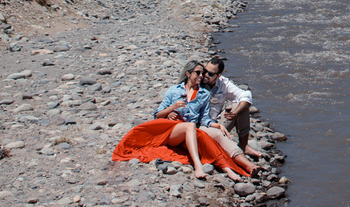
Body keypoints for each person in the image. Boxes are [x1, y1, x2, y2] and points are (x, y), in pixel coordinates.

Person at [111, 60, 256, 180]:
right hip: (173, 131)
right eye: (198, 73)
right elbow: (157, 114)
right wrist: (171, 109)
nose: (202, 76)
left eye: (204, 73)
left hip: (192, 130)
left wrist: (216, 125)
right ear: (188, 74)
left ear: (218, 75)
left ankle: (240, 167)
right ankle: (198, 166)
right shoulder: (174, 90)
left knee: (210, 140)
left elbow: (204, 118)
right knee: (191, 127)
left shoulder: (204, 94)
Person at [202, 58, 263, 158]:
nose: (206, 75)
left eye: (211, 74)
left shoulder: (223, 84)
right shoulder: (198, 80)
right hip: (201, 125)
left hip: (216, 124)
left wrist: (236, 113)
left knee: (241, 105)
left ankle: (243, 146)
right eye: (205, 71)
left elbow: (245, 95)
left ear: (218, 76)